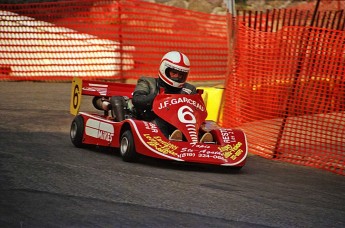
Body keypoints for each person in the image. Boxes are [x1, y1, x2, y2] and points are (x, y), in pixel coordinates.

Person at [94, 51, 213, 142]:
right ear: (164, 69)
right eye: (174, 73)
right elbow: (137, 99)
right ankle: (169, 141)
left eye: (181, 74)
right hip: (147, 119)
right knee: (118, 101)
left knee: (205, 125)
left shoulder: (189, 89)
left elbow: (196, 111)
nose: (177, 77)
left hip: (179, 123)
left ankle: (200, 140)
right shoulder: (148, 82)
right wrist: (157, 98)